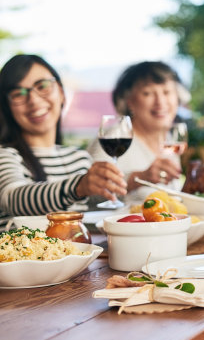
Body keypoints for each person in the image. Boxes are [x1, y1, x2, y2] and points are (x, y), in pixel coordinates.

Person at [0, 54, 126, 228]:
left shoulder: (79, 159)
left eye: (42, 86)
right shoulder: (5, 155)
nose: (34, 100)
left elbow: (93, 215)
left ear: (61, 92)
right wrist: (78, 187)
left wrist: (127, 184)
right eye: (18, 93)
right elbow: (13, 198)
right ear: (6, 106)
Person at [88, 61, 189, 203]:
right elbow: (89, 192)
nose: (160, 102)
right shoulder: (115, 138)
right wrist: (139, 178)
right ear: (129, 101)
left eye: (167, 92)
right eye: (147, 93)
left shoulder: (169, 140)